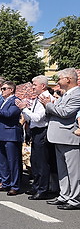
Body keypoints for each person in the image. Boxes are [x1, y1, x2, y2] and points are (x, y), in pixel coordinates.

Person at [40, 68, 80, 210]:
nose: (57, 81)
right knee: (63, 170)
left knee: (73, 171)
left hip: (70, 137)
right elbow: (54, 111)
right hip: (59, 137)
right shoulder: (65, 95)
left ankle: (75, 199)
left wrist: (48, 105)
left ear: (68, 79)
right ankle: (64, 195)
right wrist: (49, 106)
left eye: (60, 79)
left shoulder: (77, 94)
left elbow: (65, 112)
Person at [15, 75, 56, 200]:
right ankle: (37, 186)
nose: (33, 87)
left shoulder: (47, 98)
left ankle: (43, 189)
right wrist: (25, 109)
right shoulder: (38, 98)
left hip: (42, 131)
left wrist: (25, 109)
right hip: (35, 131)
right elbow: (30, 118)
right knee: (35, 161)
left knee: (42, 162)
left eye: (35, 84)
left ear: (42, 86)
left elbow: (38, 118)